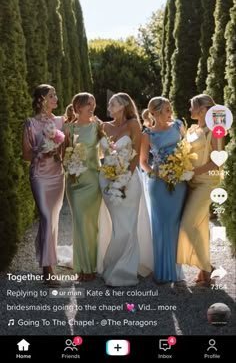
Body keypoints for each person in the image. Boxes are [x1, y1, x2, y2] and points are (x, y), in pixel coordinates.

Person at [97, 93, 153, 286]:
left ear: (123, 106)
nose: (109, 106)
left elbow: (135, 156)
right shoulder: (103, 126)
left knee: (128, 227)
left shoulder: (133, 125)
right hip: (106, 179)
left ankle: (124, 271)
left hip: (129, 179)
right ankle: (110, 264)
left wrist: (125, 179)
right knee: (117, 226)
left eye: (113, 103)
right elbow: (96, 151)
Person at [140, 97, 187, 283]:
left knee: (175, 225)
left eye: (170, 108)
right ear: (156, 112)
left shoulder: (178, 126)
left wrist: (183, 167)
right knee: (160, 226)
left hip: (180, 181)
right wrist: (160, 174)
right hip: (158, 183)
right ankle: (162, 272)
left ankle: (176, 272)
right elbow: (143, 163)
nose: (170, 112)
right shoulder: (148, 134)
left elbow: (187, 148)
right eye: (166, 109)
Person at [177, 94, 222, 286]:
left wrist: (194, 172)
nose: (189, 110)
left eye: (192, 107)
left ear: (203, 110)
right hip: (191, 182)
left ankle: (208, 268)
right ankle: (205, 271)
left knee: (188, 224)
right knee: (199, 227)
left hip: (206, 183)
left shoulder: (216, 130)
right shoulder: (194, 128)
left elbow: (217, 162)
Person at [22, 84, 65, 286]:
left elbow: (66, 149)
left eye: (55, 94)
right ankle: (48, 269)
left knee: (53, 221)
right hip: (40, 175)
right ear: (41, 99)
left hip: (58, 175)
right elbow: (26, 154)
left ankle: (46, 260)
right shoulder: (30, 123)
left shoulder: (60, 121)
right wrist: (42, 150)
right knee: (46, 218)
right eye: (52, 95)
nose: (56, 97)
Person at [64, 92, 102, 281]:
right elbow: (62, 154)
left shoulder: (98, 126)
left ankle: (93, 266)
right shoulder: (68, 128)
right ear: (78, 107)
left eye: (93, 103)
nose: (92, 107)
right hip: (74, 182)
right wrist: (69, 167)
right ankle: (81, 267)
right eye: (89, 103)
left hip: (93, 180)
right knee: (79, 222)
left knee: (92, 224)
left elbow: (108, 149)